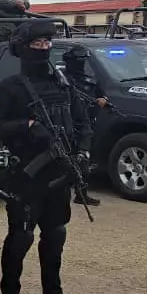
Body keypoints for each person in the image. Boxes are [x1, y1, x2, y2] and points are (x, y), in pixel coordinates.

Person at [0, 20, 90, 294]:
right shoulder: (9, 88)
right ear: (22, 48)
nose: (43, 48)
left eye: (47, 43)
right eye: (36, 44)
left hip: (59, 172)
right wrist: (27, 126)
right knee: (21, 237)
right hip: (26, 175)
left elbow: (82, 122)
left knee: (55, 234)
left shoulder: (63, 83)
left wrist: (83, 152)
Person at [60, 45, 107, 207]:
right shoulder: (62, 78)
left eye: (83, 60)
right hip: (67, 124)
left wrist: (102, 100)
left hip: (86, 122)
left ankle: (82, 194)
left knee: (84, 159)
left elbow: (100, 93)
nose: (80, 63)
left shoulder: (89, 77)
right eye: (78, 60)